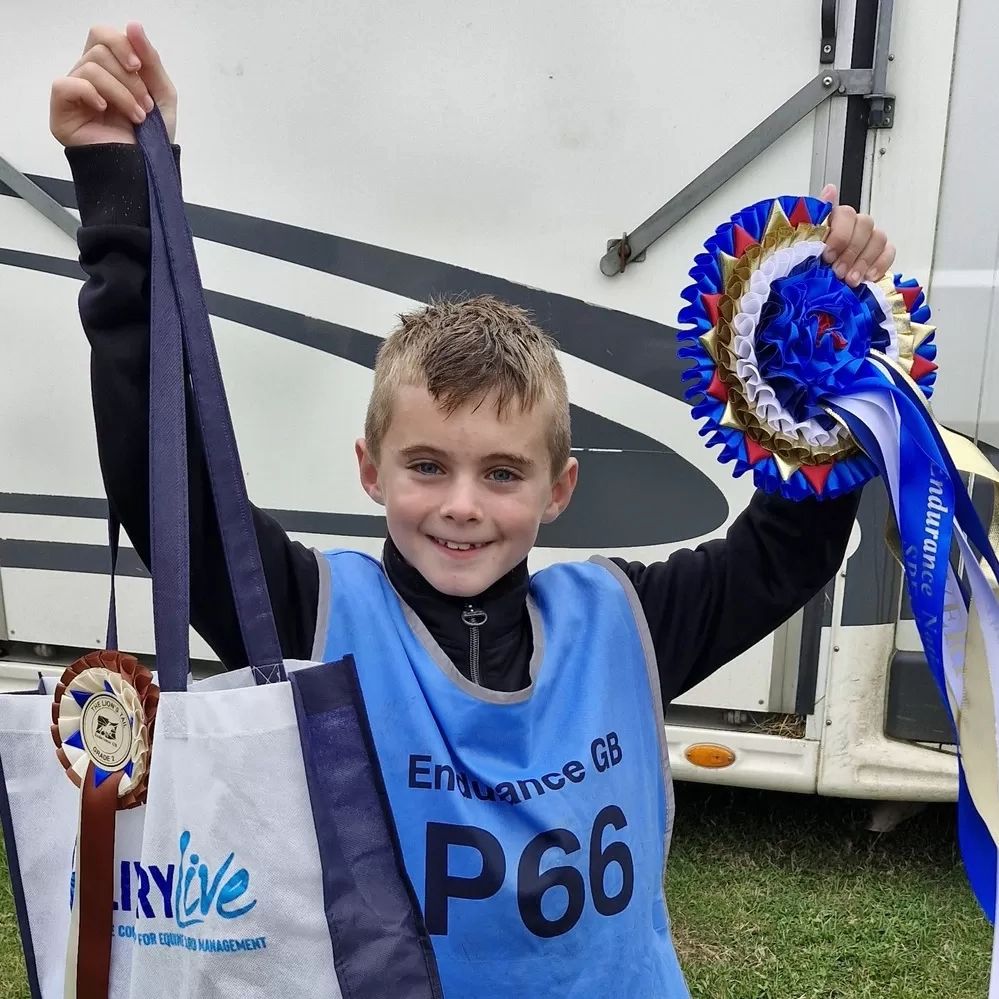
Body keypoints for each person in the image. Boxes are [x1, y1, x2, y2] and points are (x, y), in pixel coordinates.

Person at [50, 22, 896, 998]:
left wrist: (821, 336)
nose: (462, 506)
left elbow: (783, 554)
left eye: (502, 473)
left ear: (559, 489)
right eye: (425, 466)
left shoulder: (622, 623)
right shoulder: (316, 622)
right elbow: (171, 495)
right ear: (370, 471)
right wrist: (120, 194)